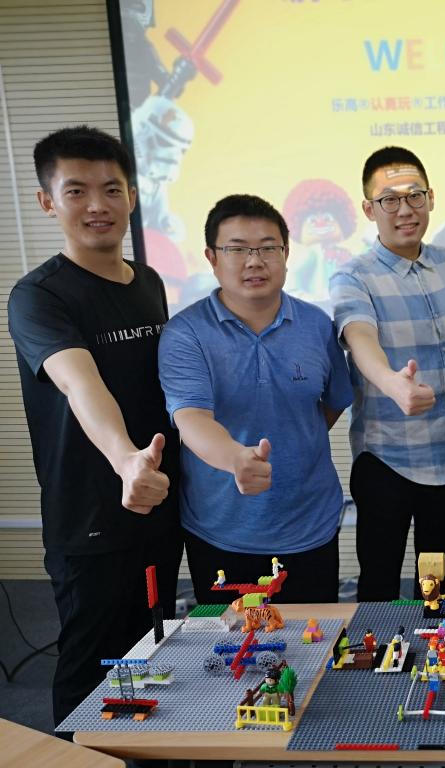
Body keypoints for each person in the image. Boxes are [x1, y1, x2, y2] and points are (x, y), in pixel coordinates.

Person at [7, 126, 182, 731]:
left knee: (153, 651)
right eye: (76, 191)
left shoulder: (148, 282)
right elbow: (81, 382)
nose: (97, 205)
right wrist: (125, 457)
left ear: (131, 196)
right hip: (90, 516)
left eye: (111, 189)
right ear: (47, 201)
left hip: (158, 502)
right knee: (90, 671)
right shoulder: (38, 296)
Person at [159, 194, 353, 605]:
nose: (254, 261)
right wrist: (236, 459)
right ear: (212, 258)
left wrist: (295, 438)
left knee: (314, 638)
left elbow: (333, 402)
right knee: (231, 642)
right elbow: (191, 417)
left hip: (310, 524)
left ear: (286, 254)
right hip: (222, 528)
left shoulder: (317, 326)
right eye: (237, 249)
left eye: (267, 248)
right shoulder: (186, 333)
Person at [331, 147, 445, 601]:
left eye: (414, 195)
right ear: (368, 210)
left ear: (431, 198)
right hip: (386, 460)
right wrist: (391, 382)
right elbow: (358, 335)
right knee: (379, 584)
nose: (404, 210)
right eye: (389, 200)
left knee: (439, 589)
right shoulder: (353, 276)